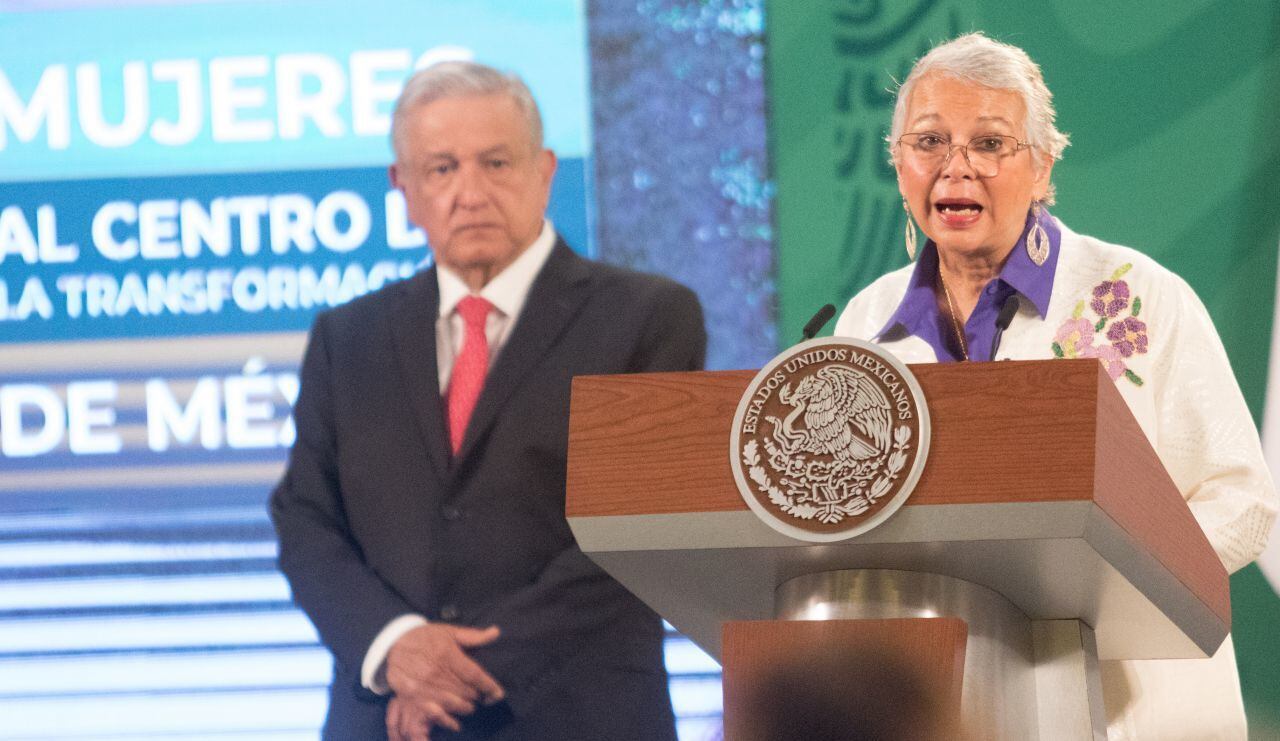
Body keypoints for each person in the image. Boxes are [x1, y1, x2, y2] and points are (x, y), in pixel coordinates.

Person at [834, 32, 1278, 740]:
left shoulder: (1139, 297)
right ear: (897, 165)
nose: (956, 167)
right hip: (939, 701)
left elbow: (1244, 500)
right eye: (929, 141)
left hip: (1135, 703)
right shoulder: (863, 325)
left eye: (989, 143)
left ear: (1043, 166)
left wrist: (1105, 581)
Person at [270, 60, 704, 740]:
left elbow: (635, 533)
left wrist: (450, 673)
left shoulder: (647, 318)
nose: (469, 193)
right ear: (404, 188)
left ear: (544, 171)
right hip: (387, 716)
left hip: (575, 712)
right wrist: (396, 646)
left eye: (495, 163)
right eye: (441, 169)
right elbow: (306, 520)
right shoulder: (345, 338)